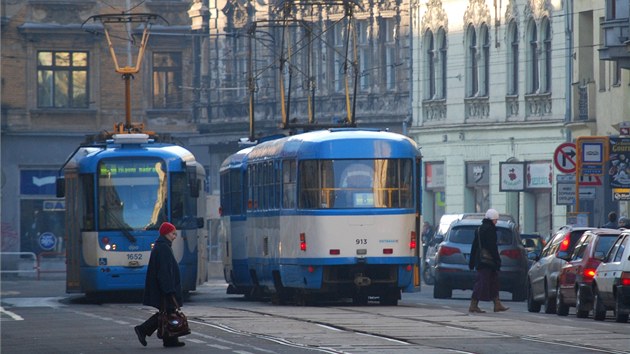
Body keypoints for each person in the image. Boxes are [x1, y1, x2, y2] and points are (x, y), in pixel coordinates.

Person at [134, 222, 187, 347]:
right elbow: (164, 272)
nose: (175, 236)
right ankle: (143, 329)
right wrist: (169, 290)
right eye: (173, 234)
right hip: (165, 288)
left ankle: (170, 339)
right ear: (166, 233)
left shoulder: (163, 246)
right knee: (167, 312)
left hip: (163, 287)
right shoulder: (163, 248)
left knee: (168, 312)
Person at [468, 209, 509, 313]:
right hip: (488, 261)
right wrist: (497, 260)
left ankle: (497, 304)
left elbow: (474, 246)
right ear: (492, 219)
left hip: (481, 260)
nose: (496, 222)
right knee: (482, 283)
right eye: (496, 220)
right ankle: (473, 305)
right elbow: (492, 247)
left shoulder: (479, 229)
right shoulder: (490, 230)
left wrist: (471, 262)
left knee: (492, 282)